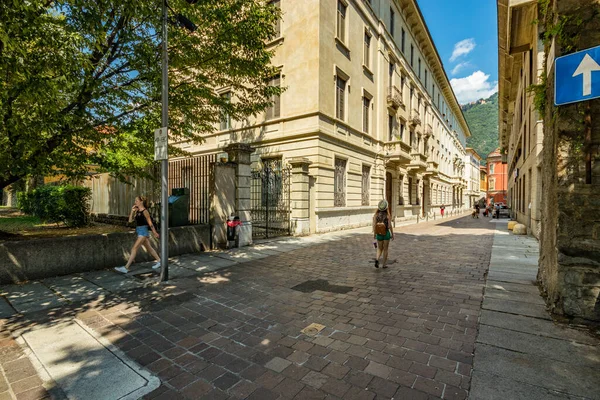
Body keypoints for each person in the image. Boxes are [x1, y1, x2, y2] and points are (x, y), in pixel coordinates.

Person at [115, 196, 161, 274]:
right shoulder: (137, 211)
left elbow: (150, 223)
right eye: (135, 200)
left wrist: (154, 232)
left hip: (143, 231)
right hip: (139, 231)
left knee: (134, 248)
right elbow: (130, 221)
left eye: (136, 200)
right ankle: (160, 261)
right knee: (149, 248)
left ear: (141, 202)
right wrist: (132, 211)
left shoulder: (145, 211)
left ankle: (126, 267)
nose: (135, 202)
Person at [373, 200, 394, 269]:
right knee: (385, 249)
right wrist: (392, 234)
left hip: (379, 234)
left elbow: (374, 225)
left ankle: (377, 259)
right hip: (386, 233)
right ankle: (384, 264)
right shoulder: (388, 215)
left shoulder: (376, 215)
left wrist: (374, 234)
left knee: (379, 248)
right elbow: (389, 226)